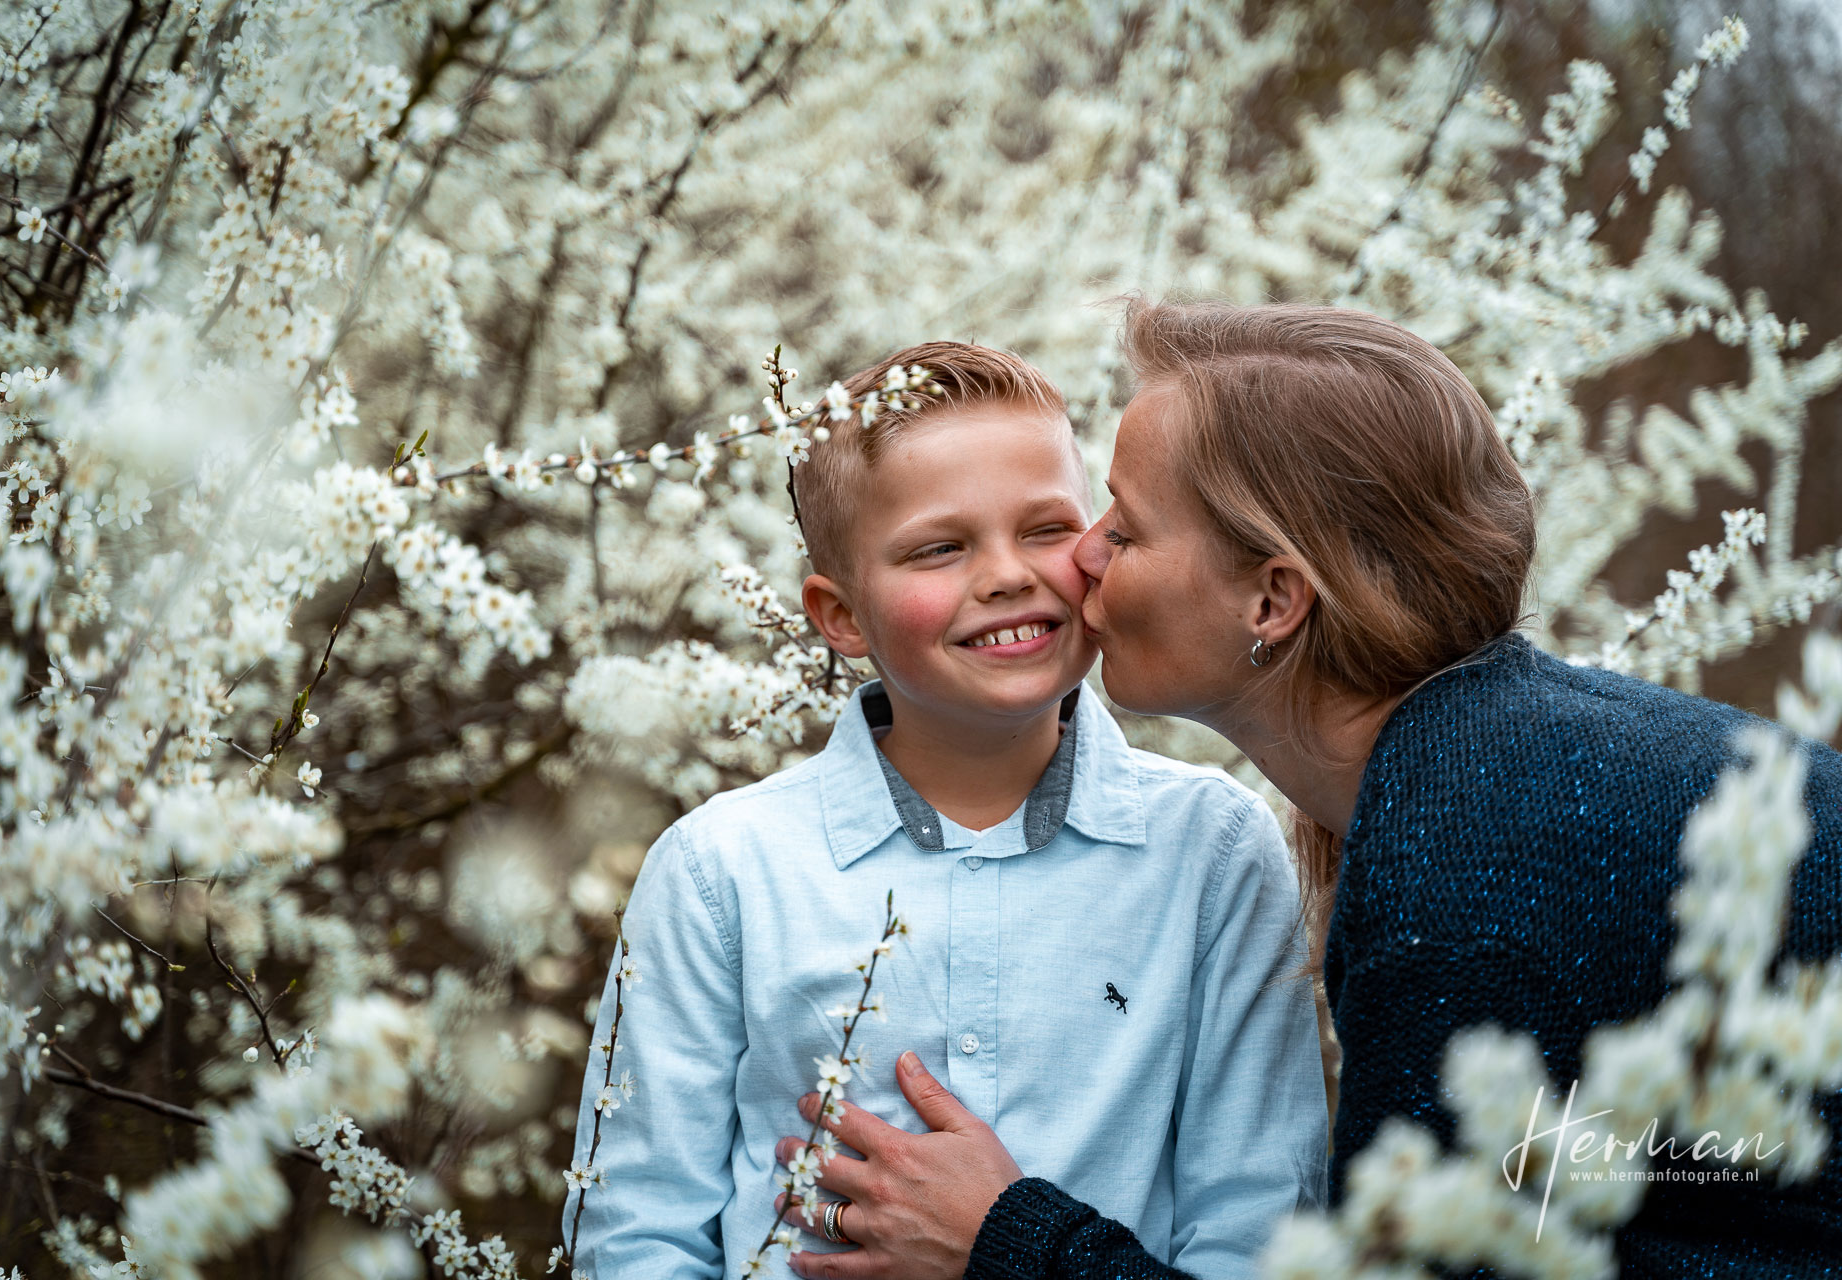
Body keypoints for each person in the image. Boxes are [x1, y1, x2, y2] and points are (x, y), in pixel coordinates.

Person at [766, 302, 1842, 1279]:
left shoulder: (1474, 865)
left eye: (1126, 527)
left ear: (1273, 599)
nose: (1080, 556)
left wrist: (1005, 1238)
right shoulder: (1506, 756)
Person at [565, 340, 1329, 1279]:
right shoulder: (721, 872)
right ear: (841, 617)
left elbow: (1259, 1235)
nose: (1009, 575)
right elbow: (636, 1234)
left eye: (1048, 529)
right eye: (940, 547)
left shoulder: (1215, 853)